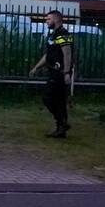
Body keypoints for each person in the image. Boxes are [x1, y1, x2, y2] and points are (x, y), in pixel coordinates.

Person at [30, 9, 75, 138]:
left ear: (56, 19)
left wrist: (66, 72)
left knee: (48, 98)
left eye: (48, 19)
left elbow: (67, 54)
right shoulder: (53, 35)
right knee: (59, 100)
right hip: (53, 71)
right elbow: (48, 54)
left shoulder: (63, 35)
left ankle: (62, 123)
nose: (46, 21)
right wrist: (36, 67)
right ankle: (61, 129)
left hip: (59, 72)